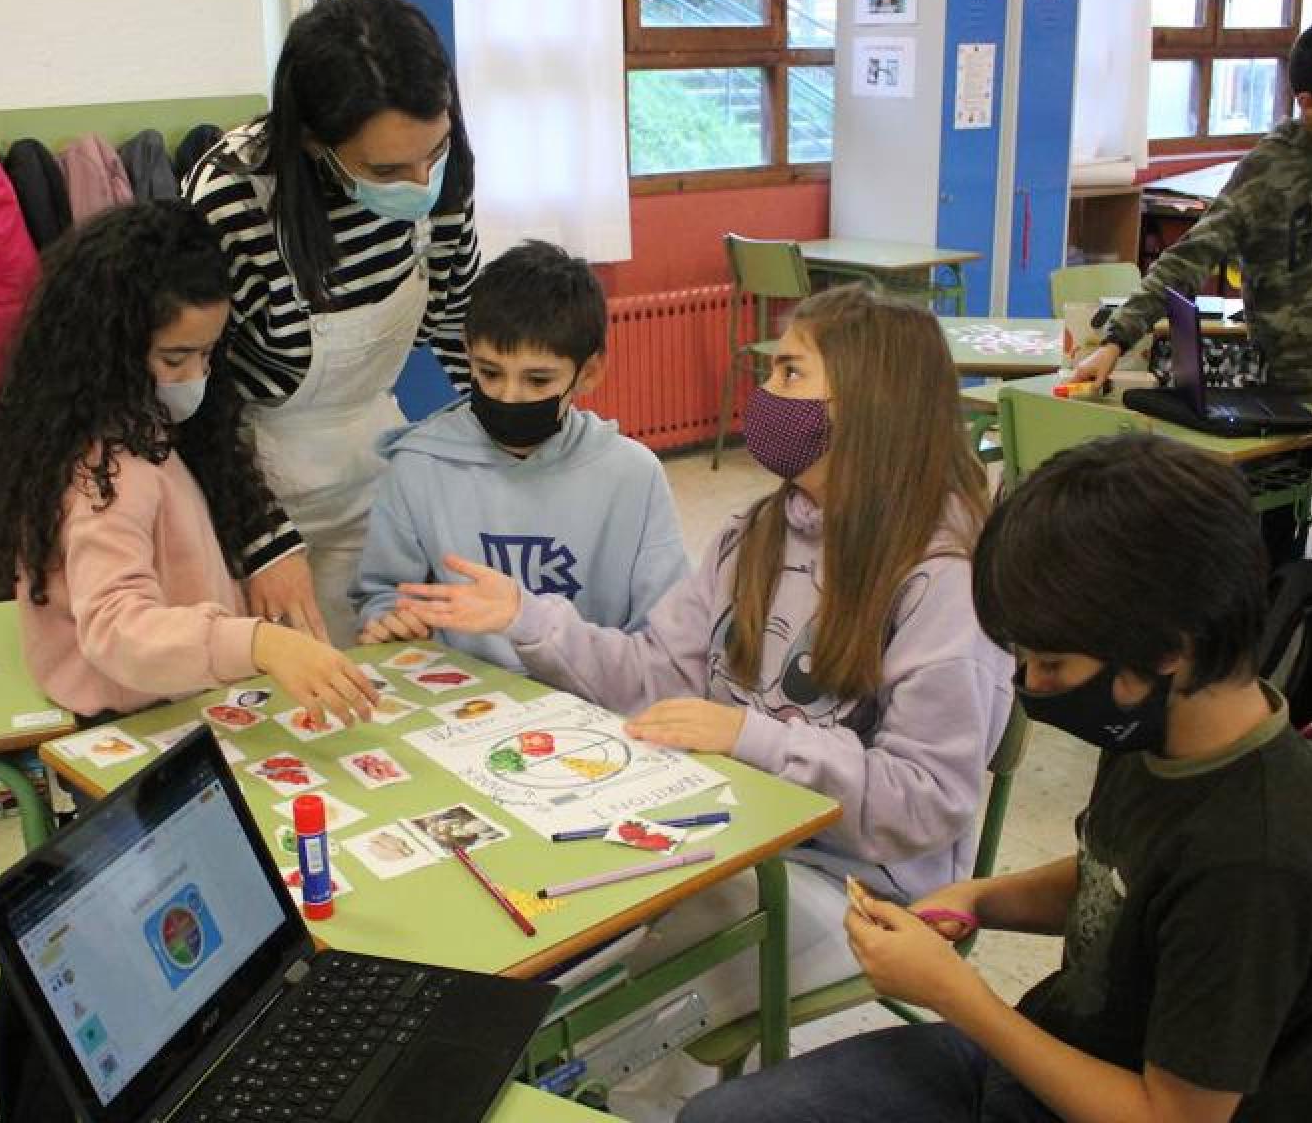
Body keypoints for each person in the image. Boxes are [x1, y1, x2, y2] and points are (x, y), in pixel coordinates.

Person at [683, 434, 1312, 1123]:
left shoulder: (1256, 865)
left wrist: (956, 995)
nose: (1030, 686)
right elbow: (1114, 878)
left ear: (1167, 651)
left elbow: (1172, 1118)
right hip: (1039, 1069)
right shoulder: (1167, 734)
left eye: (1052, 665)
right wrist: (979, 898)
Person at [398, 285, 1011, 1051]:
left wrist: (744, 735)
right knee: (545, 932)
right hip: (723, 830)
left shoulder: (946, 577)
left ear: (869, 402)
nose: (765, 394)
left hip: (858, 890)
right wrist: (527, 618)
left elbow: (926, 802)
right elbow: (656, 675)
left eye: (790, 374)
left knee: (591, 1022)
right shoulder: (756, 530)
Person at [0, 200, 376, 725]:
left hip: (180, 698)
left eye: (207, 355)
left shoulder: (143, 428)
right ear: (109, 348)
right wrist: (258, 644)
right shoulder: (107, 468)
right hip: (137, 719)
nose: (195, 376)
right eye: (175, 359)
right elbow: (116, 627)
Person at [1075, 15, 1312, 648]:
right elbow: (1186, 260)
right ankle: (1263, 667)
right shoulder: (1266, 172)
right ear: (1309, 102)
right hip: (1284, 394)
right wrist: (1117, 339)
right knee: (1267, 546)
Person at [184, 0, 479, 645]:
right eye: (386, 168)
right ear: (315, 141)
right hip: (245, 473)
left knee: (393, 670)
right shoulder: (235, 198)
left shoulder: (442, 169)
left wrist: (514, 446)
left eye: (432, 153)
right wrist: (262, 544)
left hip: (370, 451)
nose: (419, 180)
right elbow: (197, 395)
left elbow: (461, 323)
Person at [349, 239, 688, 670]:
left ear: (590, 373)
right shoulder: (418, 463)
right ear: (467, 355)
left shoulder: (633, 475)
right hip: (465, 698)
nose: (509, 396)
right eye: (489, 373)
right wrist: (391, 622)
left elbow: (666, 633)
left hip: (592, 700)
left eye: (538, 380)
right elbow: (384, 594)